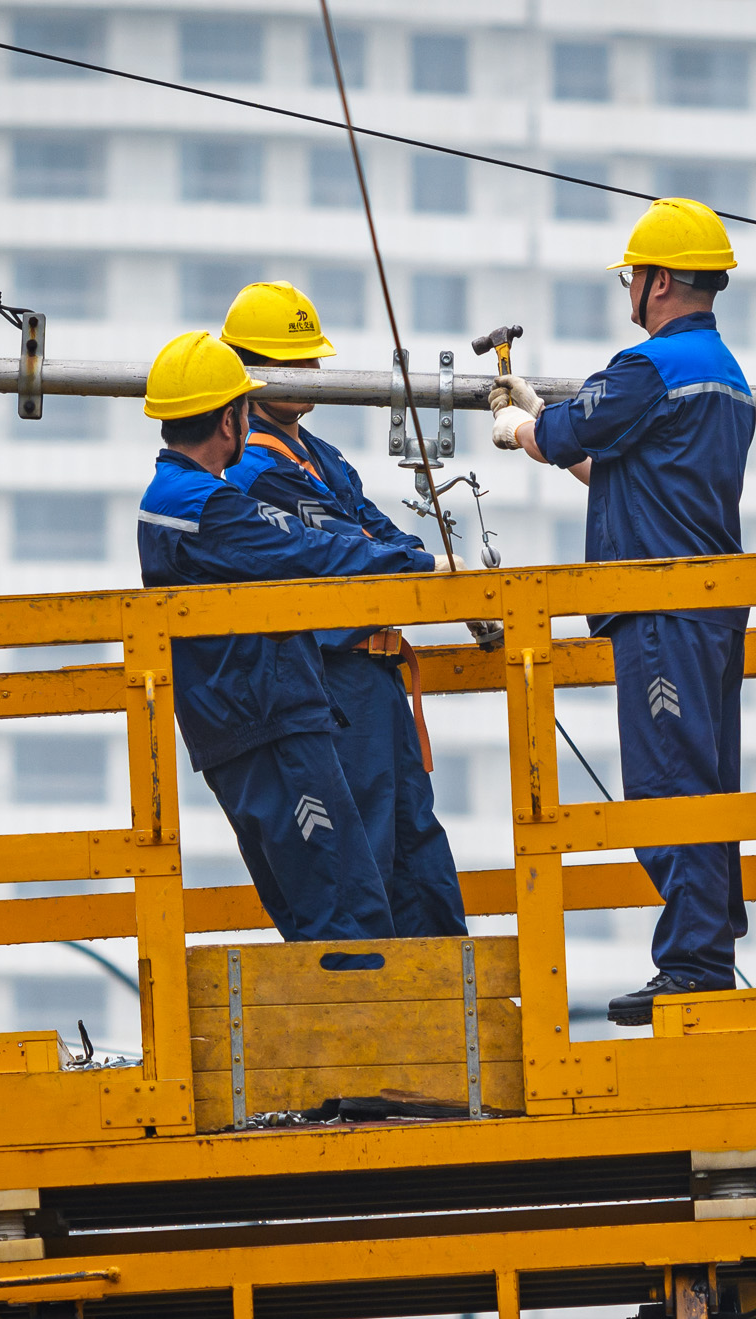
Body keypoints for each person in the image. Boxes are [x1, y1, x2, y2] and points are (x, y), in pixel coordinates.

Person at [488, 197, 756, 1025]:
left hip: (657, 611)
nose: (630, 291)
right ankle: (704, 953)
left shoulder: (651, 368)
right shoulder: (727, 378)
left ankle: (692, 966)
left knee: (669, 786)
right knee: (707, 787)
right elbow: (619, 475)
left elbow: (570, 437)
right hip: (708, 612)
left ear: (660, 281)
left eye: (634, 277)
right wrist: (545, 421)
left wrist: (518, 424)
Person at [135, 330, 453, 946]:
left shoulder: (180, 496)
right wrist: (422, 568)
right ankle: (372, 1038)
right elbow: (308, 549)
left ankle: (391, 1028)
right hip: (268, 723)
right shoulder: (205, 504)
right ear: (232, 418)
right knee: (347, 910)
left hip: (250, 720)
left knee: (337, 900)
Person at [216, 281, 468, 939]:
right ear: (246, 369)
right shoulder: (249, 470)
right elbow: (351, 550)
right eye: (289, 362)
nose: (309, 375)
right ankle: (383, 1015)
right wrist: (378, 554)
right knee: (364, 859)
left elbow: (391, 542)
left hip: (371, 681)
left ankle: (440, 1006)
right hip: (325, 681)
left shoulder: (322, 459)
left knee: (417, 851)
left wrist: (381, 553)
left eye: (309, 360)